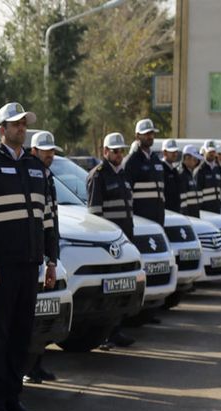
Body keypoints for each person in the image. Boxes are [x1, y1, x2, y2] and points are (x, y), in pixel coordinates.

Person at [0, 102, 58, 411]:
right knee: (2, 334)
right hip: (2, 267)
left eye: (24, 124)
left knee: (23, 333)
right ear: (2, 130)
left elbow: (47, 218)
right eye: (15, 124)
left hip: (30, 263)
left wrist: (51, 260)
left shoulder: (35, 167)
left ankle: (13, 397)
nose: (21, 128)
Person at [86, 132, 136, 350]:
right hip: (109, 246)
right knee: (108, 291)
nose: (119, 154)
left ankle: (116, 331)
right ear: (105, 152)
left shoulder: (122, 174)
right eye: (115, 151)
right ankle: (104, 335)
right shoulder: (98, 176)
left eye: (121, 151)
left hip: (124, 240)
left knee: (122, 289)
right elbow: (95, 217)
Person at [25, 130, 62, 384]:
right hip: (29, 254)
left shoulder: (48, 178)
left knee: (42, 314)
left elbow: (52, 221)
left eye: (52, 151)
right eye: (45, 150)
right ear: (34, 151)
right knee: (30, 316)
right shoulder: (30, 176)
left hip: (43, 253)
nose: (49, 155)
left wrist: (53, 257)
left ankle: (37, 364)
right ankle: (27, 367)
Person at [122, 118, 166, 227]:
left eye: (151, 133)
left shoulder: (156, 159)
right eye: (146, 134)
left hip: (158, 218)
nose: (150, 136)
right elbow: (126, 195)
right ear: (137, 136)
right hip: (140, 219)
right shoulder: (131, 162)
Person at [175, 144, 204, 216]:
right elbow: (182, 201)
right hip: (187, 216)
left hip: (194, 214)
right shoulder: (181, 174)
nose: (196, 162)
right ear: (187, 158)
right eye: (194, 159)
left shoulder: (190, 173)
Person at [197, 144, 221, 212]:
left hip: (217, 207)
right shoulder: (200, 169)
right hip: (205, 209)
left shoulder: (218, 168)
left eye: (213, 152)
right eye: (209, 152)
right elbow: (198, 190)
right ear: (205, 152)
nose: (212, 154)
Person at [161, 139, 182, 213]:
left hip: (175, 211)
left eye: (175, 151)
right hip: (166, 211)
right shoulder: (161, 169)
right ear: (164, 152)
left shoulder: (174, 170)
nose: (175, 154)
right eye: (172, 152)